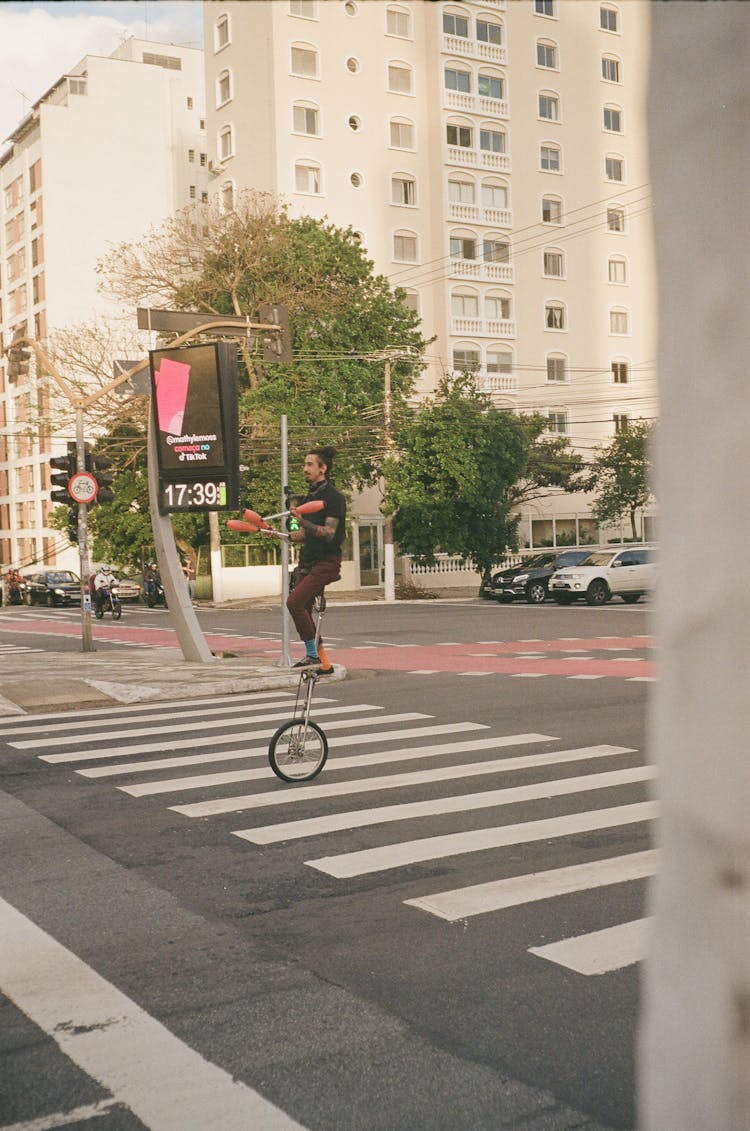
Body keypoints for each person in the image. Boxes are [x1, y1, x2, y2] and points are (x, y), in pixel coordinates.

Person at [265, 446, 346, 674]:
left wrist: (302, 521)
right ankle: (325, 663)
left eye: (310, 464)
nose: (305, 469)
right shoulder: (310, 497)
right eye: (304, 464)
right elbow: (303, 535)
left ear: (323, 468)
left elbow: (329, 533)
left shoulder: (334, 498)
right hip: (307, 563)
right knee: (304, 614)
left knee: (294, 602)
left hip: (326, 562)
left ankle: (312, 655)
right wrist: (278, 535)